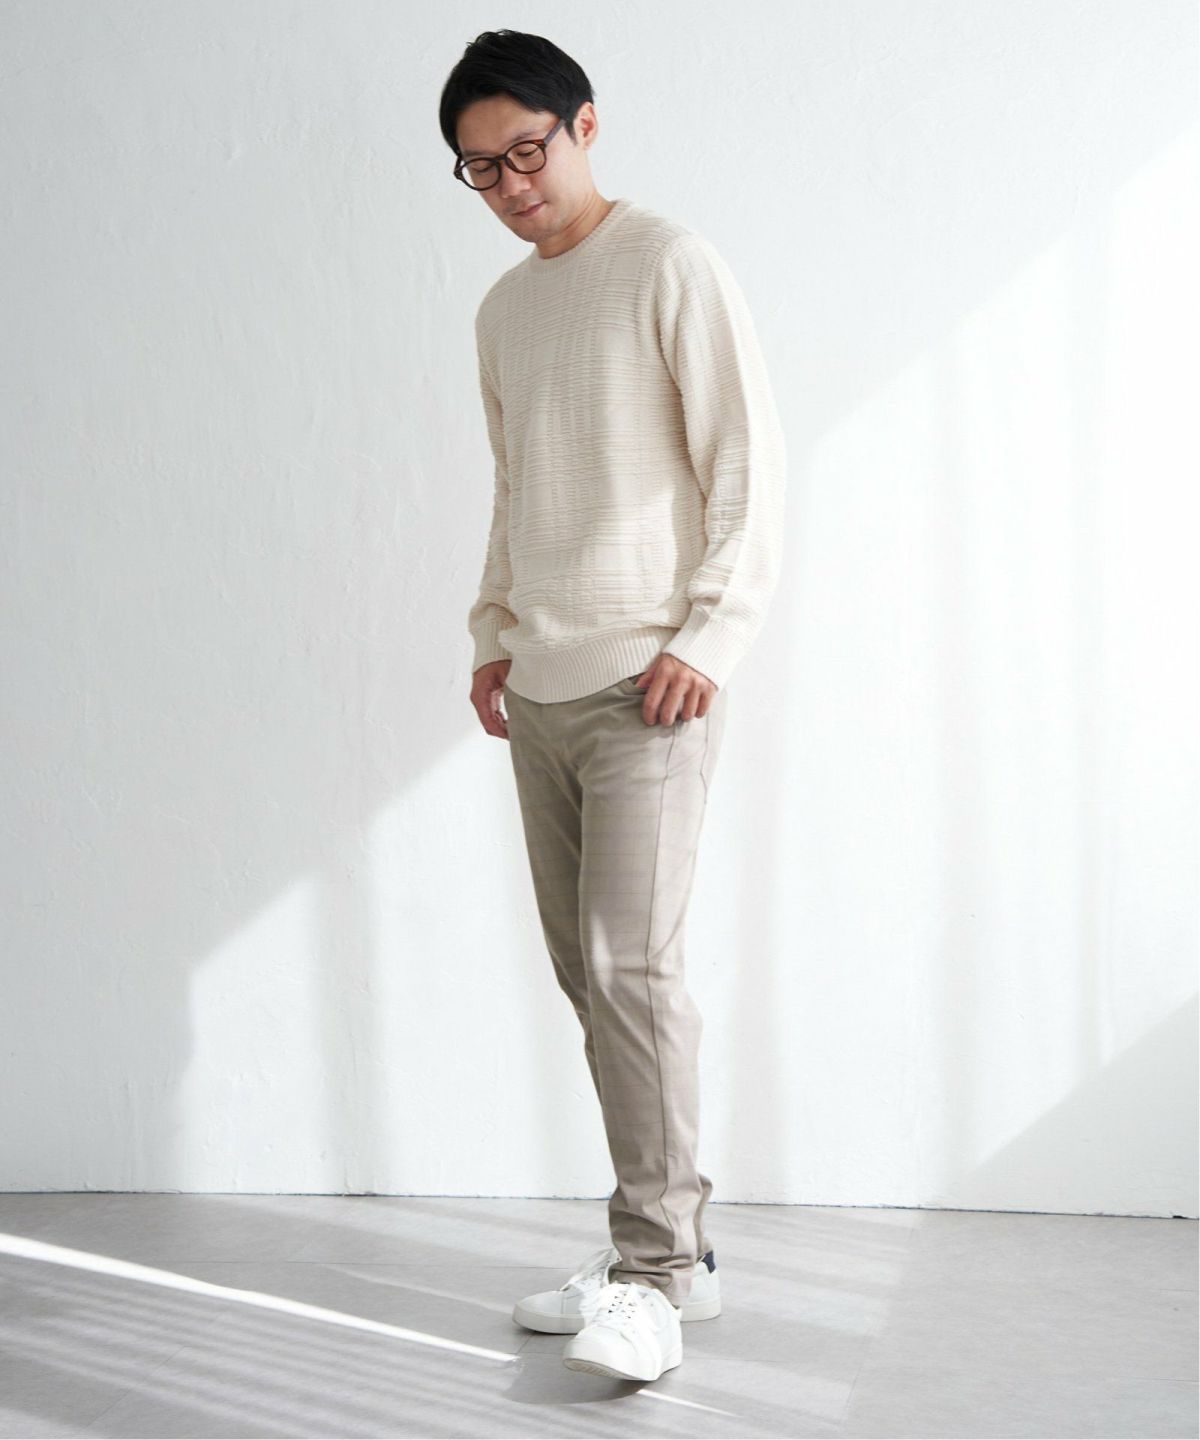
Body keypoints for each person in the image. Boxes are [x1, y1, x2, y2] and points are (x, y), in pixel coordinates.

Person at [439, 28, 786, 1384]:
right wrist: (492, 631)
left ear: (584, 126)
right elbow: (515, 487)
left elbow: (746, 459)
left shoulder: (668, 263)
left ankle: (651, 1274)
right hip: (543, 683)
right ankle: (675, 1254)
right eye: (480, 169)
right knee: (592, 978)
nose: (511, 184)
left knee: (633, 973)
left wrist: (714, 632)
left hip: (652, 680)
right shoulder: (503, 313)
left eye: (526, 150)